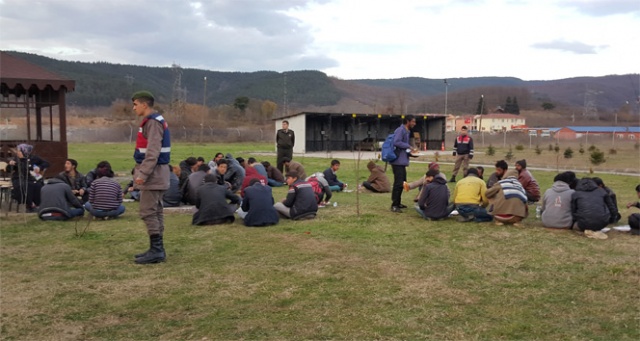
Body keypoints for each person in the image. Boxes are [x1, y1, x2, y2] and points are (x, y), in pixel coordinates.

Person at [131, 91, 171, 265]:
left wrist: (143, 174)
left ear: (144, 105)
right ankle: (157, 248)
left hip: (153, 174)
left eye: (135, 104)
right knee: (156, 211)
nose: (134, 108)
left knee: (148, 211)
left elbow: (152, 151)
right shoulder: (156, 121)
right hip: (158, 173)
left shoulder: (153, 123)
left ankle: (157, 250)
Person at [6, 143, 49, 212]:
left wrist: (39, 167)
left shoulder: (34, 158)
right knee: (23, 185)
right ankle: (30, 204)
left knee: (38, 185)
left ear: (24, 151)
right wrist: (10, 165)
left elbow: (46, 163)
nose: (17, 152)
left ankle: (37, 204)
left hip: (32, 177)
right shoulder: (16, 159)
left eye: (19, 151)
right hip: (18, 178)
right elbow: (8, 170)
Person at [389, 115, 418, 213]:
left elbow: (403, 148)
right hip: (397, 161)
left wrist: (411, 153)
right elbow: (396, 142)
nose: (414, 123)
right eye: (413, 121)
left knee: (402, 182)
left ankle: (398, 203)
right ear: (407, 121)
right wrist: (409, 146)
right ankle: (394, 205)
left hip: (402, 161)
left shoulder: (407, 131)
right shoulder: (400, 130)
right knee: (398, 183)